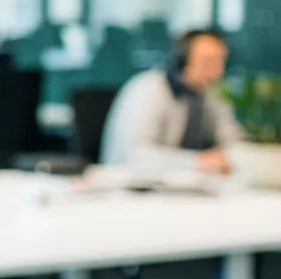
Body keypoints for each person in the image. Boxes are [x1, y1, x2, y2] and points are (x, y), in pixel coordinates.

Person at [99, 27, 241, 173]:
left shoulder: (209, 94)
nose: (218, 71)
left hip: (182, 186)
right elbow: (135, 156)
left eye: (221, 61)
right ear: (183, 59)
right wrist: (197, 161)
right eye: (208, 61)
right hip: (129, 185)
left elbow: (231, 139)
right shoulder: (149, 89)